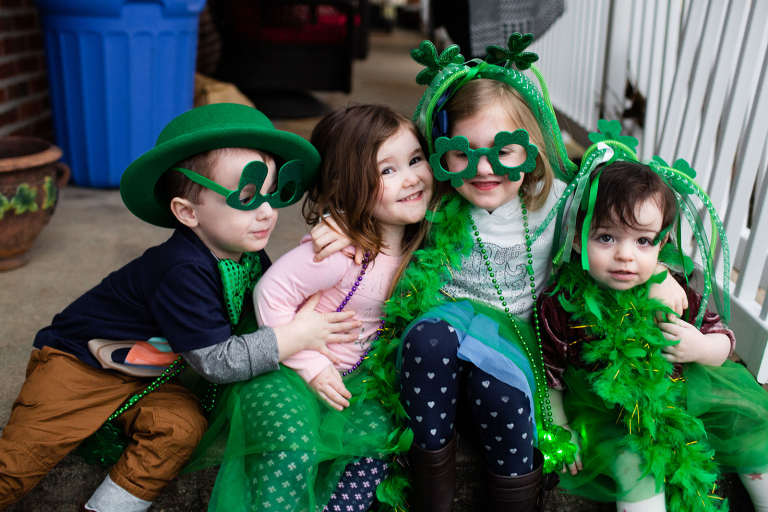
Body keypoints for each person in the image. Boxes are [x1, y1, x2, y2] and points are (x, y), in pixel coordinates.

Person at [309, 35, 689, 512]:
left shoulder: (563, 204)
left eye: (504, 150)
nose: (483, 168)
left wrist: (661, 275)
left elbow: (632, 225)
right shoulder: (434, 202)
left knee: (506, 398)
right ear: (441, 156)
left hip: (522, 354)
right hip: (439, 355)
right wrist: (345, 225)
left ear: (531, 148)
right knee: (428, 340)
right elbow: (381, 205)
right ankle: (431, 497)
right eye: (462, 152)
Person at [0, 103, 360, 512]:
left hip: (150, 377)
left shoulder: (246, 254)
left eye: (274, 194)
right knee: (21, 459)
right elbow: (218, 362)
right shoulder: (180, 269)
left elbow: (276, 303)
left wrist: (339, 231)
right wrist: (297, 335)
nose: (266, 212)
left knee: (181, 429)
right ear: (187, 212)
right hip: (81, 364)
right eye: (246, 198)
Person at [183, 104, 435, 512]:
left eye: (415, 159)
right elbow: (270, 294)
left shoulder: (424, 241)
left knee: (377, 443)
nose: (410, 179)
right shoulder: (339, 251)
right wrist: (311, 365)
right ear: (347, 187)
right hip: (290, 369)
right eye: (387, 171)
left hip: (360, 380)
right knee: (291, 446)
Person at [538, 150, 768, 511]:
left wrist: (701, 347)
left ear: (660, 245)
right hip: (608, 416)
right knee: (635, 464)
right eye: (606, 238)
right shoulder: (560, 304)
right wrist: (560, 425)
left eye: (642, 241)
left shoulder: (671, 292)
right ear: (578, 240)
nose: (625, 256)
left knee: (752, 429)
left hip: (684, 397)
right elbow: (549, 373)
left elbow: (724, 338)